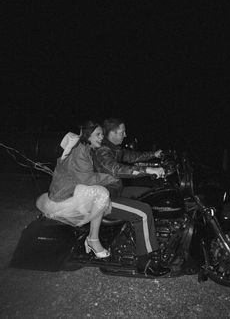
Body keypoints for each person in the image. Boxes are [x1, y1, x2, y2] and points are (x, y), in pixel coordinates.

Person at [93, 117, 170, 276]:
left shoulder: (114, 148)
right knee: (143, 212)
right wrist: (147, 171)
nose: (125, 134)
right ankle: (146, 262)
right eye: (122, 131)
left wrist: (154, 154)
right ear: (112, 133)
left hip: (114, 190)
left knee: (151, 194)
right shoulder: (103, 150)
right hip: (102, 199)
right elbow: (116, 169)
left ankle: (145, 235)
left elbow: (133, 157)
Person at [36, 121, 119, 258]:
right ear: (87, 135)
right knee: (101, 194)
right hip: (65, 194)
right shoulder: (80, 150)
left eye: (102, 135)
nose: (101, 138)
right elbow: (87, 179)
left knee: (100, 193)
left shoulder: (84, 147)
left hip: (68, 189)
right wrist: (110, 177)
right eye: (97, 134)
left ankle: (89, 231)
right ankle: (93, 240)